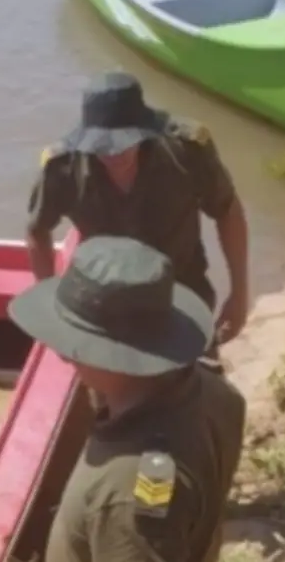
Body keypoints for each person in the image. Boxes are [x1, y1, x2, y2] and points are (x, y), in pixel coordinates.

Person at [8, 236, 246, 562]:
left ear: (109, 353)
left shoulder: (127, 493)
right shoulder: (218, 392)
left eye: (75, 345)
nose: (64, 355)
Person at [25, 71, 251, 359]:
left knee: (195, 377)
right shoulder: (63, 168)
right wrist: (51, 307)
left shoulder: (185, 150)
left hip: (183, 299)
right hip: (106, 306)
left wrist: (239, 294)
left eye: (124, 141)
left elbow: (227, 210)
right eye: (102, 145)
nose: (113, 153)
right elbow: (37, 230)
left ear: (144, 129)